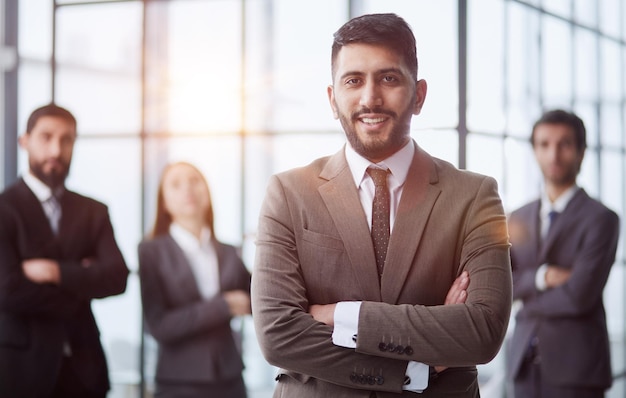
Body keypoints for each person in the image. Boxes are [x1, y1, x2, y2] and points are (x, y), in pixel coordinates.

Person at [251, 13, 512, 397]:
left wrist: (339, 315)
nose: (370, 98)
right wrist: (416, 368)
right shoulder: (288, 194)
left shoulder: (475, 197)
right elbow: (278, 335)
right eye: (353, 81)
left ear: (419, 95)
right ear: (332, 98)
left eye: (388, 78)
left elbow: (482, 331)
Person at [0, 103, 129, 398]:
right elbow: (7, 290)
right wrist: (81, 281)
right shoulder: (4, 209)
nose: (56, 150)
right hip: (21, 371)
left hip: (85, 371)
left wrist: (55, 272)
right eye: (46, 137)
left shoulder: (94, 211)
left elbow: (117, 277)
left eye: (66, 139)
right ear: (24, 141)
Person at [506, 109, 620, 398]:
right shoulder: (516, 218)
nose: (553, 155)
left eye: (564, 144)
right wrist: (542, 278)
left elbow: (580, 295)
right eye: (544, 145)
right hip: (523, 368)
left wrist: (525, 300)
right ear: (534, 151)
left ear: (581, 152)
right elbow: (503, 284)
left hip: (577, 372)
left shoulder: (602, 219)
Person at [138, 161, 251, 398]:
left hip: (230, 379)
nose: (188, 189)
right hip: (179, 383)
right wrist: (224, 306)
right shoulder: (151, 252)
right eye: (176, 184)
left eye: (195, 181)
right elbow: (158, 325)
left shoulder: (229, 252)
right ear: (164, 203)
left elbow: (260, 301)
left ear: (207, 195)